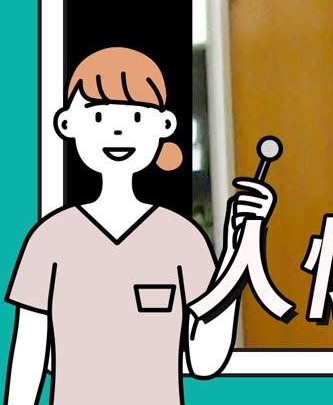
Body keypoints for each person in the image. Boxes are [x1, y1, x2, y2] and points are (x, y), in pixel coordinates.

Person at [5, 47, 275, 404]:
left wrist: (238, 255)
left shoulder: (183, 240)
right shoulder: (50, 239)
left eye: (136, 117)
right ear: (67, 124)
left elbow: (205, 360)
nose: (118, 130)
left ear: (163, 126)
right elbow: (29, 351)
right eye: (98, 116)